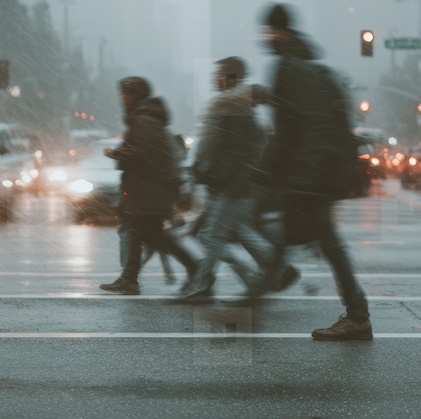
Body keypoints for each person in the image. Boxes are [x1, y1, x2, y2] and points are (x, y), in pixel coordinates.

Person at [251, 4, 372, 341]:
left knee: (298, 245)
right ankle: (357, 315)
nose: (266, 38)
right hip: (320, 172)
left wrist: (269, 171)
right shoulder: (308, 69)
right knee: (317, 245)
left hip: (309, 176)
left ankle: (245, 312)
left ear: (282, 33)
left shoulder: (288, 69)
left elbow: (292, 130)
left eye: (270, 31)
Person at [177, 57, 296, 303]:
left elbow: (214, 145)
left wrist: (202, 169)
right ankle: (276, 270)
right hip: (232, 183)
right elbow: (251, 145)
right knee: (236, 232)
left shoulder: (229, 107)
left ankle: (208, 283)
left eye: (218, 74)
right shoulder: (241, 107)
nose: (214, 78)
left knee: (211, 235)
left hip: (233, 185)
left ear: (230, 77)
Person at [100, 77, 198, 295]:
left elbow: (138, 155)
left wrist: (114, 153)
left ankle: (195, 267)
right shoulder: (145, 118)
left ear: (133, 96)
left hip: (150, 189)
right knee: (139, 233)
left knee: (154, 236)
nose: (121, 99)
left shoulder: (144, 120)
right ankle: (129, 279)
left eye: (124, 94)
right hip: (147, 188)